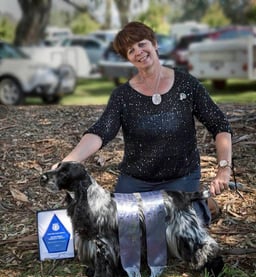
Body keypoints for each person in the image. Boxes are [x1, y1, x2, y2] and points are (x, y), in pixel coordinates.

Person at [52, 21, 232, 225]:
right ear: (128, 58)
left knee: (174, 237)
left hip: (181, 178)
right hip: (136, 181)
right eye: (130, 50)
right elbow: (101, 131)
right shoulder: (122, 95)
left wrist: (223, 168)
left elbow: (219, 124)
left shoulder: (187, 84)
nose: (138, 51)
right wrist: (67, 162)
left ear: (155, 44)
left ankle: (201, 202)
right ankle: (197, 203)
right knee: (124, 233)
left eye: (141, 43)